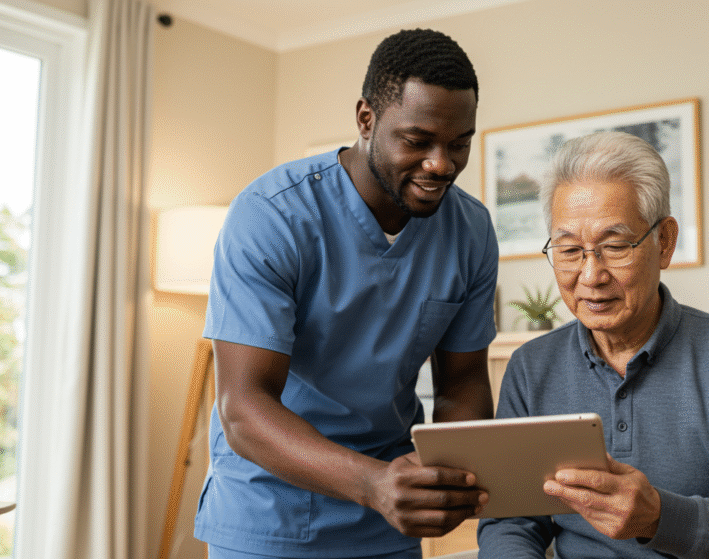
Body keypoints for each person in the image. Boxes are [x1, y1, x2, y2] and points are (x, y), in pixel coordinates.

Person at [195, 29, 498, 559]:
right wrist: (372, 483)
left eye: (459, 143)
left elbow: (463, 381)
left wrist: (448, 477)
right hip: (270, 518)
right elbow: (243, 407)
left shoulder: (470, 231)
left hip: (388, 524)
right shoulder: (272, 216)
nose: (441, 164)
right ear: (366, 120)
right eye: (417, 140)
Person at [477, 132, 709, 557]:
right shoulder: (531, 368)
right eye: (569, 249)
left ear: (665, 242)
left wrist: (659, 517)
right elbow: (512, 522)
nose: (591, 274)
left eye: (615, 246)